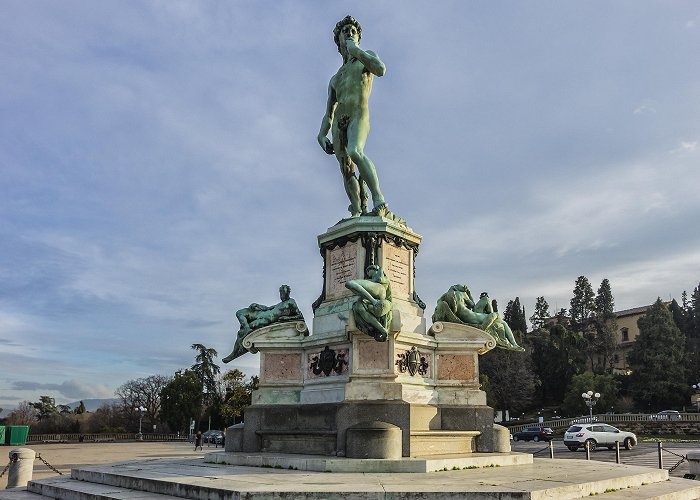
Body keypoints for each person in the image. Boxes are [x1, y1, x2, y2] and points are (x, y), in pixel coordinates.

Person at [317, 16, 389, 218]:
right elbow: (328, 111)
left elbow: (380, 70)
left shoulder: (364, 58)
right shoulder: (335, 78)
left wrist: (356, 50)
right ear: (338, 39)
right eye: (345, 31)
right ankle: (357, 209)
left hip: (359, 112)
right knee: (345, 168)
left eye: (353, 31)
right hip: (340, 120)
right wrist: (322, 134)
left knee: (355, 152)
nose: (349, 33)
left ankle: (378, 199)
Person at [222, 285, 304, 363]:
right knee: (240, 312)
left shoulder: (291, 302)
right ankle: (246, 329)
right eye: (281, 293)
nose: (282, 295)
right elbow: (268, 308)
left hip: (266, 320)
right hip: (261, 313)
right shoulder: (279, 304)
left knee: (241, 333)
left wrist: (286, 318)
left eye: (284, 293)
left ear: (288, 293)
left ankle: (234, 354)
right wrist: (257, 305)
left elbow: (299, 316)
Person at [345, 264, 392, 341]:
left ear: (373, 270)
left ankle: (373, 301)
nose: (367, 272)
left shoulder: (380, 278)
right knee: (358, 307)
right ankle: (382, 330)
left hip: (379, 294)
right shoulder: (370, 281)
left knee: (349, 283)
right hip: (377, 301)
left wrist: (380, 269)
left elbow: (380, 278)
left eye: (368, 270)